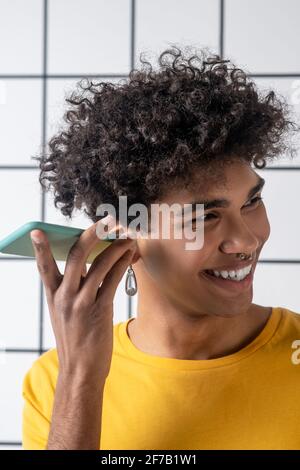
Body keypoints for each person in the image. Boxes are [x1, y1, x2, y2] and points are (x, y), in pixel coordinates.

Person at [22, 46, 300, 450]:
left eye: (251, 202)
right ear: (125, 234)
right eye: (204, 217)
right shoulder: (55, 382)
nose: (247, 240)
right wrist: (81, 380)